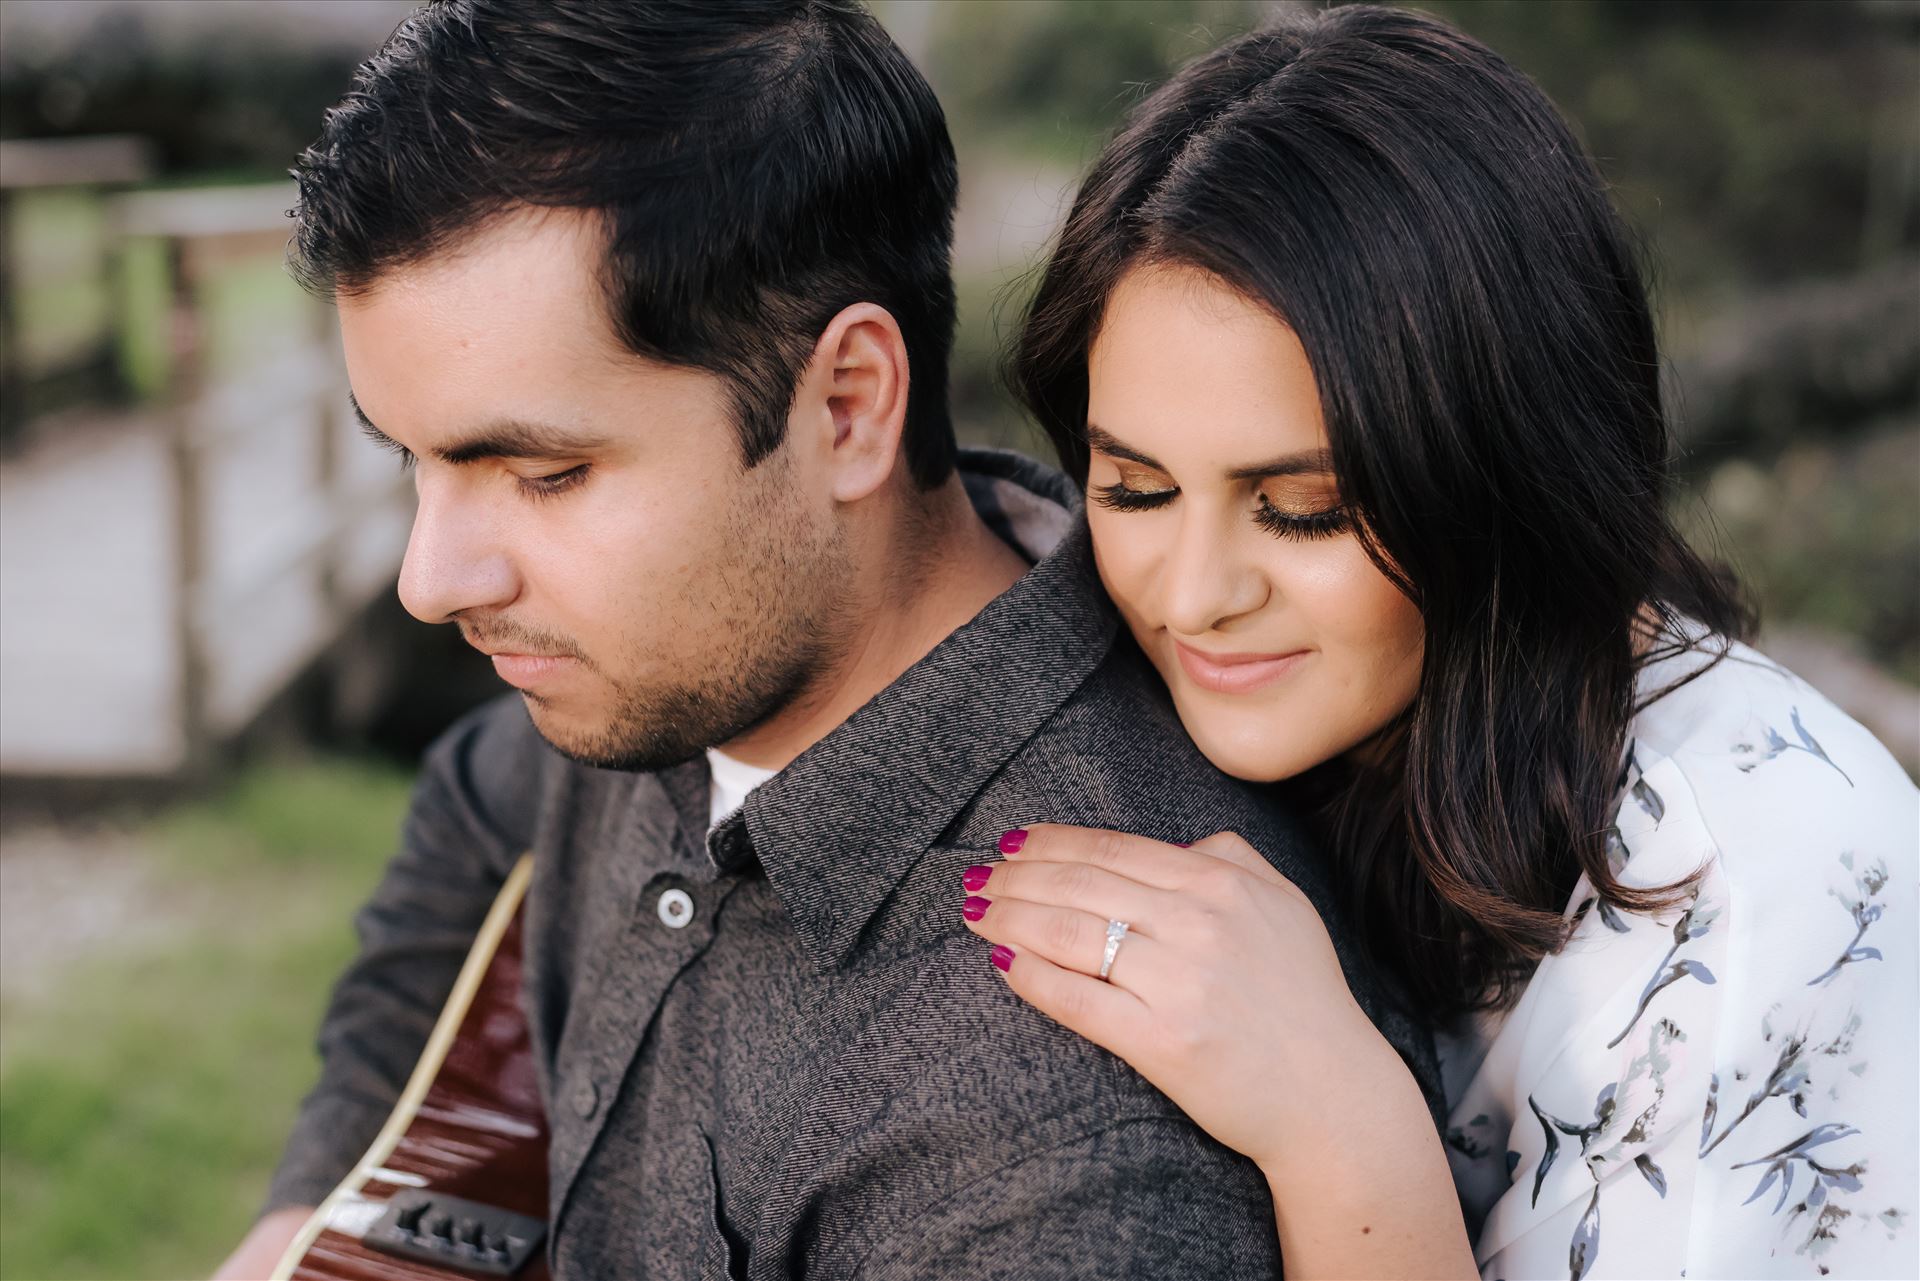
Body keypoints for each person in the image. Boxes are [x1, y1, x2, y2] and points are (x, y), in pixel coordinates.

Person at [212, 3, 1444, 1279]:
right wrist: (328, 1225)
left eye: (541, 472)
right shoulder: (653, 664)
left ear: (848, 407)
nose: (429, 581)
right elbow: (472, 819)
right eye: (413, 460)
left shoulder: (1054, 1139)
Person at [960, 7, 1919, 1280]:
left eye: (1307, 511)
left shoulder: (1759, 900)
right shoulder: (1186, 685)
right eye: (1133, 489)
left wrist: (1342, 1132)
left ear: (1507, 474)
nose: (1191, 596)